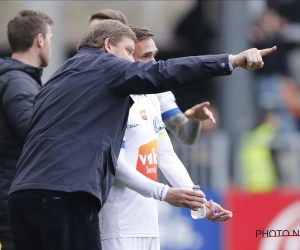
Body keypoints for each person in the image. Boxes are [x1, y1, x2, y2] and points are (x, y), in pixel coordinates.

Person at [8, 20, 276, 250]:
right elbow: (165, 72)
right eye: (131, 52)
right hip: (79, 201)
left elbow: (167, 149)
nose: (137, 62)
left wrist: (199, 201)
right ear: (108, 46)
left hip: (25, 196)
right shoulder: (108, 73)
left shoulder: (61, 79)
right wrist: (231, 61)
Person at [99, 25, 232, 250]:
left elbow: (165, 155)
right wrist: (164, 193)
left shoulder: (151, 99)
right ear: (127, 57)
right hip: (117, 225)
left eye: (155, 55)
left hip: (149, 224)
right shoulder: (115, 101)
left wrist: (198, 201)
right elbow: (116, 165)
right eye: (146, 56)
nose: (154, 64)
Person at [89, 9, 215, 145]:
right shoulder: (83, 85)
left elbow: (185, 135)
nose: (101, 44)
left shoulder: (157, 91)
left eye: (107, 34)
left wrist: (195, 120)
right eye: (93, 35)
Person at [0, 10, 53, 250]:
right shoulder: (18, 82)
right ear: (39, 40)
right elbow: (35, 135)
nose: (50, 44)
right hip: (11, 198)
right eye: (50, 38)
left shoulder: (21, 80)